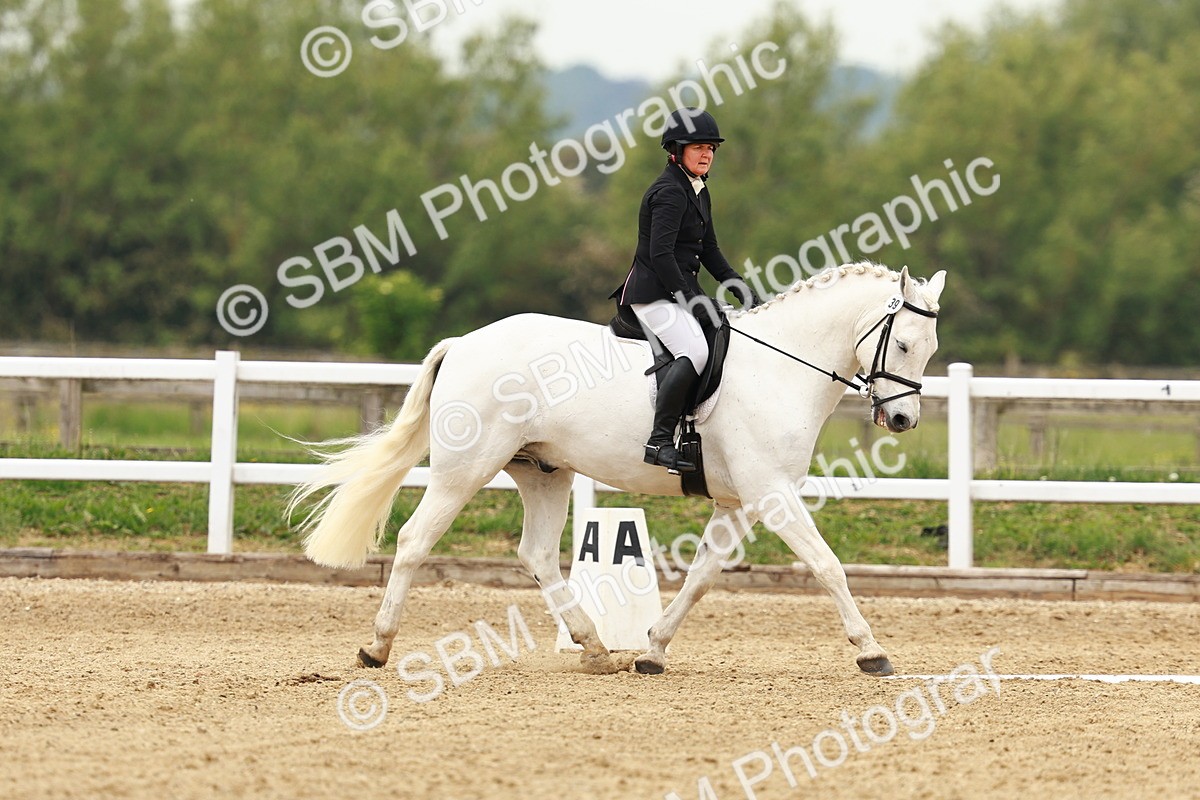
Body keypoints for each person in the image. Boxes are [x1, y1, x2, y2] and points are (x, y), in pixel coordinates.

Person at [611, 107, 760, 473]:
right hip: (650, 294)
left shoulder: (698, 190)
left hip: (674, 291)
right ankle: (660, 439)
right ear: (676, 151)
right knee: (693, 350)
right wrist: (690, 299)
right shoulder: (669, 192)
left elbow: (708, 250)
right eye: (698, 148)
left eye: (711, 148)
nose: (707, 154)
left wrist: (740, 287)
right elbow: (660, 256)